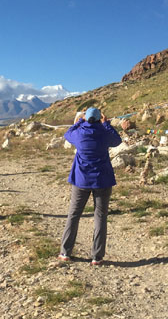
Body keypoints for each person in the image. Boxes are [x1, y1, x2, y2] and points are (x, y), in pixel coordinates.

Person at [59, 107, 122, 265]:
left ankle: (65, 252)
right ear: (99, 118)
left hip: (81, 180)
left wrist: (79, 120)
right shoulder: (104, 132)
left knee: (73, 214)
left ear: (86, 118)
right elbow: (117, 140)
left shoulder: (79, 133)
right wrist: (106, 123)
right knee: (100, 217)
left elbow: (67, 134)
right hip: (103, 180)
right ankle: (97, 257)